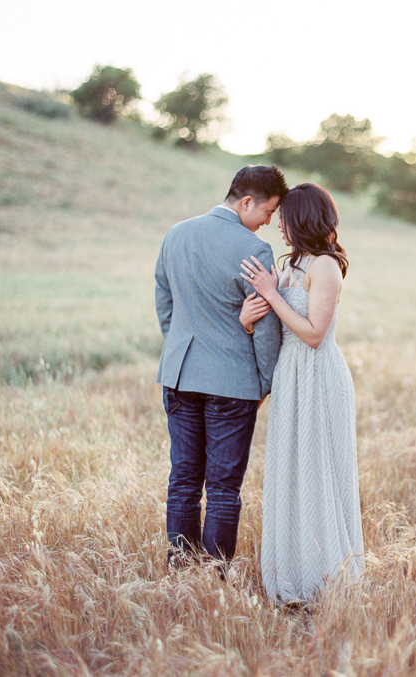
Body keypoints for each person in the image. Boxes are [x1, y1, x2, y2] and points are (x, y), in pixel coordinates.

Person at [155, 165, 288, 569]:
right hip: (232, 382)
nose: (268, 222)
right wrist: (266, 381)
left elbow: (165, 304)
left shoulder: (175, 234)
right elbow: (265, 326)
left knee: (183, 481)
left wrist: (181, 347)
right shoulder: (254, 250)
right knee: (224, 488)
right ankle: (212, 581)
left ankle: (181, 571)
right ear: (247, 202)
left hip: (180, 374)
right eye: (268, 211)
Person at [239, 183, 364, 603]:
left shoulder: (325, 266)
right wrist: (250, 316)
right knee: (291, 472)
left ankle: (326, 578)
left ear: (304, 218)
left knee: (320, 470)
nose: (278, 225)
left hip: (318, 374)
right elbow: (279, 323)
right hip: (290, 375)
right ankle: (292, 573)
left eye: (285, 217)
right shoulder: (294, 263)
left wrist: (272, 294)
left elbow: (313, 334)